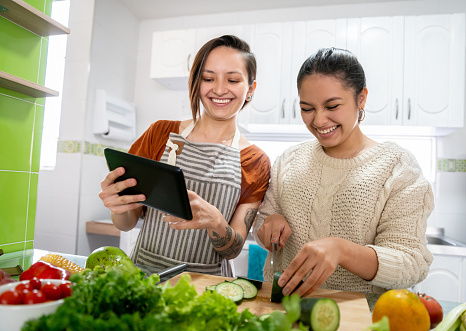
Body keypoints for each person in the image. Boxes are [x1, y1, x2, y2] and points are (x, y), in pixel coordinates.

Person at [254, 47, 434, 296]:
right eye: (307, 108)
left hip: (359, 322)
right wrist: (269, 225)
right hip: (285, 314)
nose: (318, 120)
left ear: (361, 98)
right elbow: (263, 225)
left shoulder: (397, 167)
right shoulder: (289, 160)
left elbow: (411, 263)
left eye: (332, 106)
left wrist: (341, 250)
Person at [99, 35, 271, 277]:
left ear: (251, 89)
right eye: (208, 78)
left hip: (206, 287)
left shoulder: (256, 161)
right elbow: (126, 223)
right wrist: (118, 207)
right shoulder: (159, 134)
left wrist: (215, 221)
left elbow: (232, 249)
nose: (219, 89)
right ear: (196, 83)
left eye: (232, 79)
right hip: (145, 277)